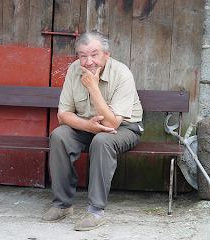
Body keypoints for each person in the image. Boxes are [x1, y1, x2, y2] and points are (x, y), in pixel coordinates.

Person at [41, 31, 144, 231]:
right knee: (59, 135)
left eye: (95, 55)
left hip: (124, 128)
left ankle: (96, 212)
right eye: (83, 55)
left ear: (107, 55)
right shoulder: (73, 70)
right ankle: (62, 205)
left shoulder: (122, 73)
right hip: (88, 125)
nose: (88, 62)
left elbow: (112, 124)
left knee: (102, 140)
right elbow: (63, 115)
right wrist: (88, 126)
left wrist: (93, 88)